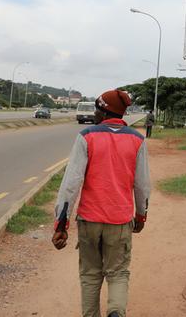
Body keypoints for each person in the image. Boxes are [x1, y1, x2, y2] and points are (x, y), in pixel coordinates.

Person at [52, 89, 151, 317]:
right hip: (120, 221)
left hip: (89, 219)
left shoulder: (86, 136)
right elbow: (142, 185)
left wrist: (61, 224)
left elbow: (71, 184)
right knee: (118, 273)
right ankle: (116, 312)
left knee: (90, 274)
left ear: (104, 111)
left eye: (97, 109)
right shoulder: (137, 139)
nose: (94, 114)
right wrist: (141, 215)